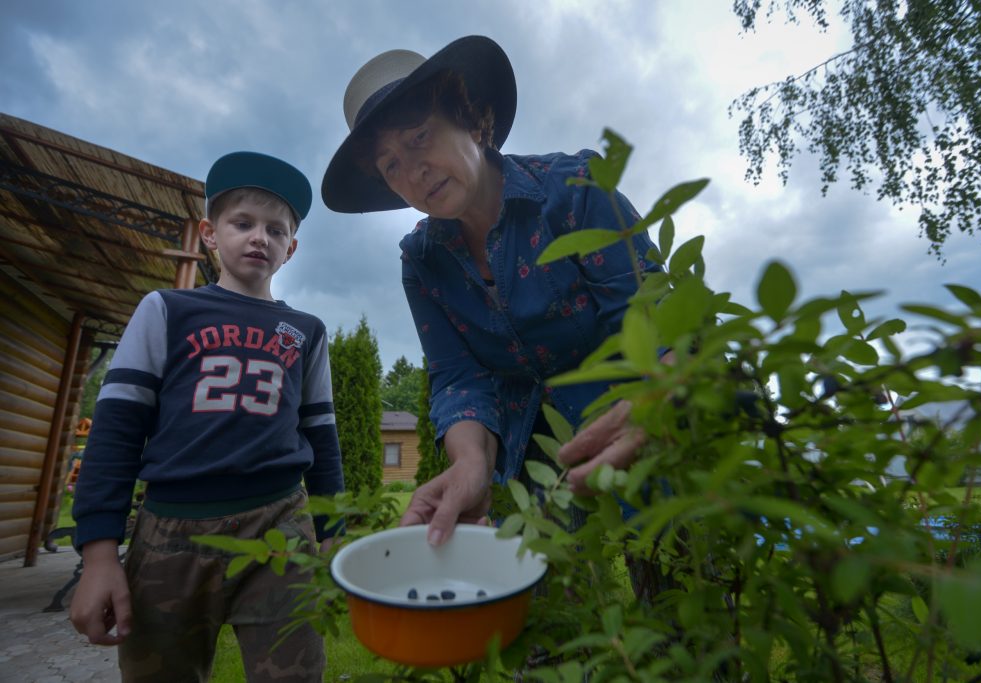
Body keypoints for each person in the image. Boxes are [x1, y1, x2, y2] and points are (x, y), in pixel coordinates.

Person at [321, 35, 666, 555]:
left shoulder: (575, 191)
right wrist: (470, 462)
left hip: (641, 420)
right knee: (540, 613)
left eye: (419, 137)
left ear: (474, 121)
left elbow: (655, 320)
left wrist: (656, 399)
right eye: (390, 165)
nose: (412, 172)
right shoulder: (422, 262)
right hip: (532, 459)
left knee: (681, 598)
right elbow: (459, 377)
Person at [70, 151, 345, 683]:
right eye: (242, 223)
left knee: (296, 673)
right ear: (210, 233)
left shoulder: (306, 331)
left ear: (292, 248)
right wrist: (100, 554)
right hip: (171, 532)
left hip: (279, 525)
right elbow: (116, 430)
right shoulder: (166, 310)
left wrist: (331, 531)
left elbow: (321, 436)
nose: (259, 237)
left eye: (276, 229)